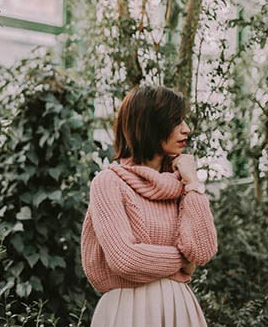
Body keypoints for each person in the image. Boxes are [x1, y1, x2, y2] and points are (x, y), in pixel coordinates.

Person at [81, 85, 217, 326]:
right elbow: (125, 259)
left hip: (179, 309)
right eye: (176, 121)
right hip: (128, 312)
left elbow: (202, 252)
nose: (186, 129)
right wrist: (182, 261)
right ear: (149, 125)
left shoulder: (181, 184)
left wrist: (193, 183)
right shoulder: (109, 182)